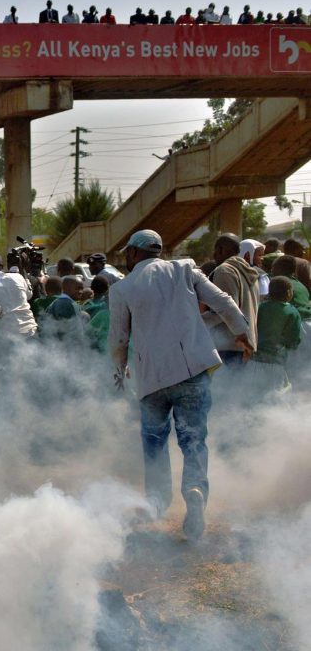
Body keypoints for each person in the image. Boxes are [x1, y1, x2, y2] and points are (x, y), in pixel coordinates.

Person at [108, 229, 253, 542]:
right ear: (157, 251)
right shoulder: (185, 268)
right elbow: (223, 302)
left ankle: (158, 502)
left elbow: (119, 338)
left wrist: (119, 371)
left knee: (154, 440)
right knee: (193, 439)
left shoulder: (123, 288)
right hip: (191, 370)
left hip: (151, 380)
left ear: (134, 254)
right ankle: (195, 490)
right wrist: (242, 333)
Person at [203, 234, 259, 367]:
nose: (214, 255)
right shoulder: (248, 271)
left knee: (220, 387)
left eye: (215, 251)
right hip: (245, 344)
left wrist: (196, 322)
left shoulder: (224, 271)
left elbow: (224, 310)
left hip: (228, 345)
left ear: (220, 250)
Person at [253, 276, 302, 392]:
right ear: (288, 293)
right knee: (275, 395)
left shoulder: (260, 307)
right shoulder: (292, 312)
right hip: (276, 361)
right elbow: (293, 340)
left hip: (254, 360)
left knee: (253, 393)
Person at [0, 253, 37, 338]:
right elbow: (29, 295)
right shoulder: (18, 276)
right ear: (2, 265)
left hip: (7, 335)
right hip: (30, 329)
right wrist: (23, 271)